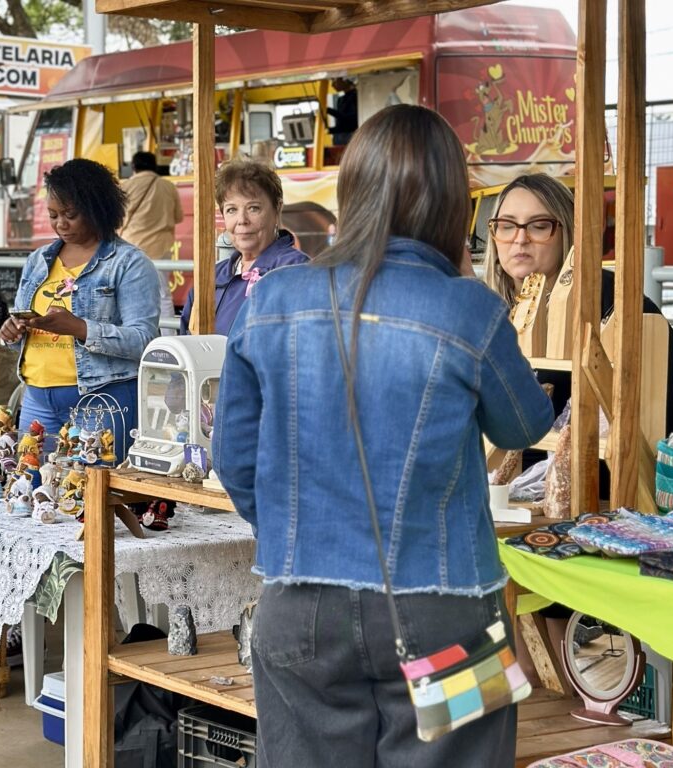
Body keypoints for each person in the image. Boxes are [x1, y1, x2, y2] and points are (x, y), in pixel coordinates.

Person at [213, 104, 555, 767]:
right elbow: (523, 425)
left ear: (354, 191)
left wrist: (295, 528)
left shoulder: (273, 300)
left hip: (298, 606)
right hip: (451, 612)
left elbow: (233, 459)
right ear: (453, 200)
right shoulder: (469, 308)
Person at [483, 172, 673, 439]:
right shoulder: (484, 309)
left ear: (568, 230)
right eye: (507, 225)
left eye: (539, 225)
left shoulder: (616, 304)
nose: (520, 239)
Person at [0, 158, 160, 452]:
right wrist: (12, 332)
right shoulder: (38, 261)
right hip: (36, 396)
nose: (61, 224)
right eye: (53, 215)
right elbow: (23, 329)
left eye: (70, 214)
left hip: (101, 398)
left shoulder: (129, 264)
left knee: (90, 492)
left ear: (96, 208)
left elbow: (144, 340)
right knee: (30, 488)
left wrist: (80, 328)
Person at [179, 158, 308, 335]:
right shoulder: (212, 276)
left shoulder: (295, 269)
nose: (242, 220)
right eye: (231, 210)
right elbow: (186, 339)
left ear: (277, 210)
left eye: (253, 208)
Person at [120, 151, 183, 334]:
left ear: (133, 167)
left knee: (130, 295)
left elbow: (117, 219)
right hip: (161, 247)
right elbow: (178, 217)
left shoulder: (127, 187)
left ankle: (135, 336)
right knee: (163, 295)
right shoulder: (168, 186)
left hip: (132, 247)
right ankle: (169, 338)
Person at [327, 77, 359, 146]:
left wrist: (329, 111)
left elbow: (352, 121)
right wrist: (329, 130)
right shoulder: (340, 99)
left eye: (334, 80)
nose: (332, 85)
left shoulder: (357, 96)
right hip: (339, 140)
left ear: (344, 79)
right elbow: (342, 126)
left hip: (351, 139)